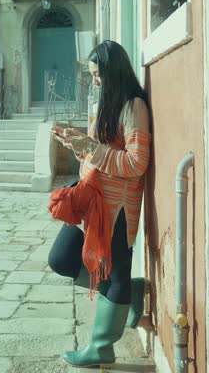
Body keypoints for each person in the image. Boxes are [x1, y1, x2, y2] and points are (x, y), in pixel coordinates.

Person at [49, 40, 151, 368]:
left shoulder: (133, 106)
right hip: (92, 200)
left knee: (116, 270)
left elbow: (137, 163)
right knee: (62, 258)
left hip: (119, 207)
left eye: (98, 75)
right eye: (92, 76)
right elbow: (99, 153)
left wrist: (90, 149)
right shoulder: (109, 104)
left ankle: (101, 347)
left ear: (113, 72)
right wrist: (77, 143)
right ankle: (129, 293)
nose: (94, 82)